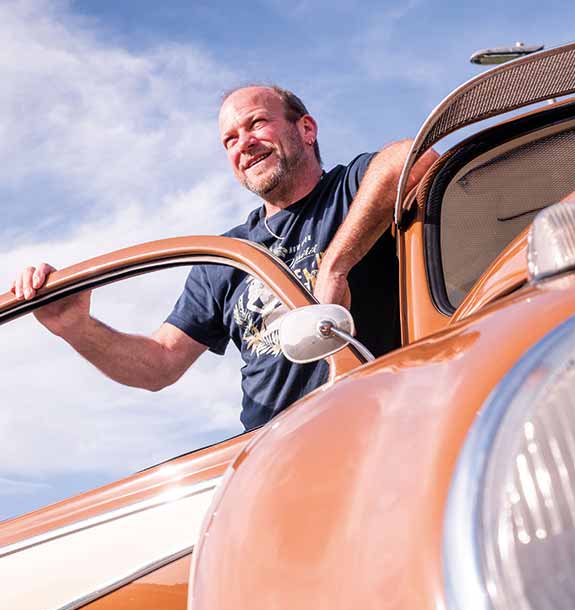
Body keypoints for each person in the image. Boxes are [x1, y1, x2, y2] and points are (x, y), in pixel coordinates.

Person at [10, 85, 437, 430]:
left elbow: (413, 158)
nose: (244, 144)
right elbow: (160, 364)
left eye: (257, 124)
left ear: (306, 129)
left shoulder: (352, 188)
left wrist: (336, 264)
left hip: (381, 419)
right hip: (272, 453)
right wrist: (76, 328)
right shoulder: (225, 258)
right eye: (230, 140)